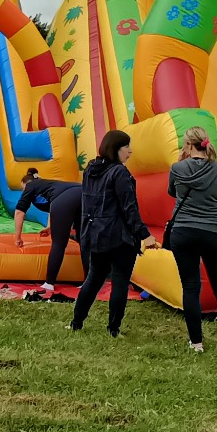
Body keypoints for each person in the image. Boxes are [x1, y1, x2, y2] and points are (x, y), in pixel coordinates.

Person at [166, 127, 217, 352]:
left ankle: (197, 343)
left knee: (190, 287)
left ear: (189, 146)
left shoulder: (177, 168)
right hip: (213, 233)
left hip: (183, 232)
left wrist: (180, 163)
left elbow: (172, 192)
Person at [71, 129, 157, 336]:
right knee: (119, 281)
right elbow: (129, 208)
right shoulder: (119, 173)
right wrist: (144, 234)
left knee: (93, 278)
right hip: (119, 237)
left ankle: (76, 322)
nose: (130, 151)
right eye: (126, 146)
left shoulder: (91, 170)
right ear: (116, 149)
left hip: (97, 234)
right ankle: (113, 329)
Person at [11, 167, 83, 295]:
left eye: (23, 189)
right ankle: (89, 282)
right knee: (84, 240)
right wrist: (50, 226)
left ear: (26, 184)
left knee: (58, 244)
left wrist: (17, 237)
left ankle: (49, 283)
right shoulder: (48, 184)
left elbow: (19, 213)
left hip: (67, 199)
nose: (24, 192)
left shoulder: (30, 186)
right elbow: (54, 204)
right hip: (83, 192)